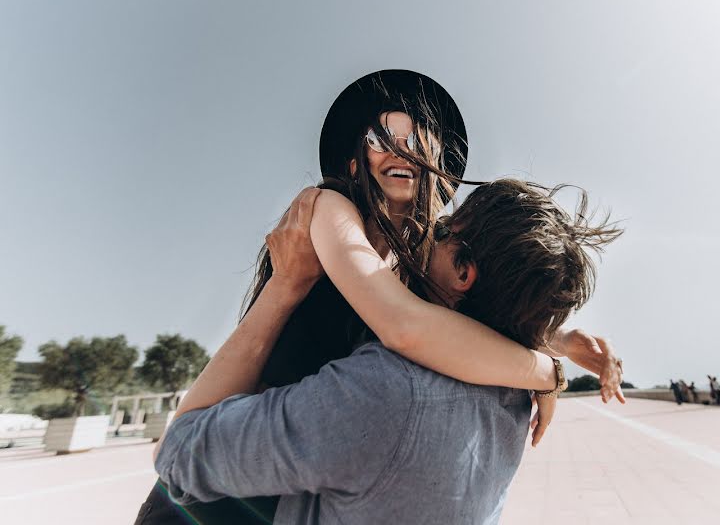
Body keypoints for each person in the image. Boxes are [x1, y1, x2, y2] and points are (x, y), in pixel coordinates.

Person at [136, 71, 624, 524]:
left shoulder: (419, 269)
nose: (400, 150)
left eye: (416, 141)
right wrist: (545, 368)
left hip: (296, 480)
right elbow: (403, 325)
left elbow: (472, 313)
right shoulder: (327, 209)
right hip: (215, 480)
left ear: (438, 170)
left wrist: (556, 338)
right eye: (380, 139)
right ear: (354, 162)